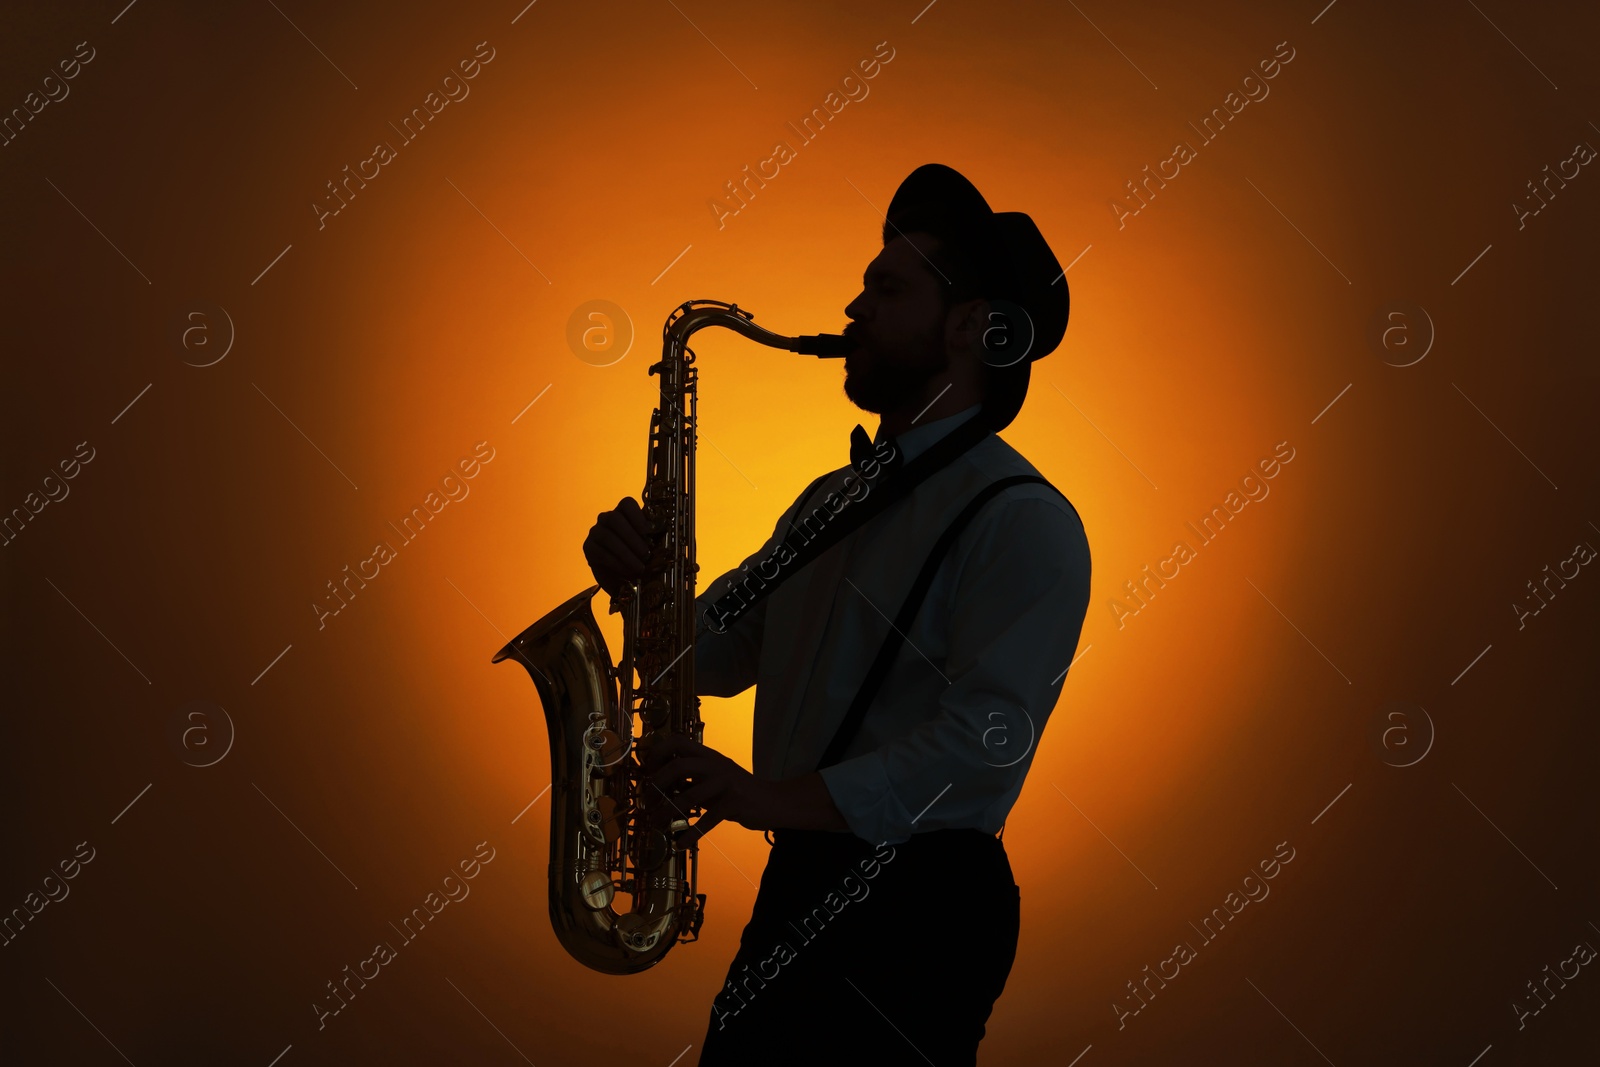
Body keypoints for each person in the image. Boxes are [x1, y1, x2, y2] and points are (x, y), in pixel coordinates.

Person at [583, 164, 1092, 1065]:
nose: (852, 311)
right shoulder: (830, 500)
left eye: (886, 289)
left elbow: (983, 750)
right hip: (803, 879)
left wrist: (762, 795)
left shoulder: (1025, 519)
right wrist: (639, 587)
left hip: (923, 907)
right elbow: (715, 652)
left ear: (973, 327)